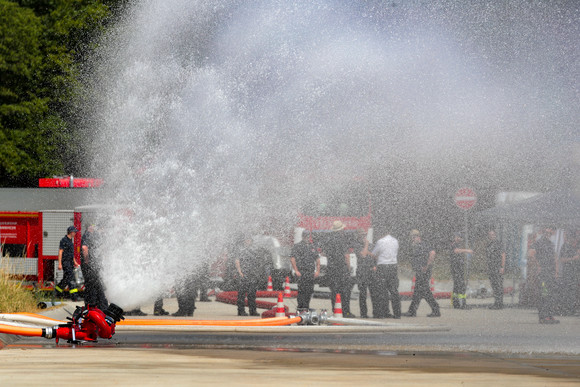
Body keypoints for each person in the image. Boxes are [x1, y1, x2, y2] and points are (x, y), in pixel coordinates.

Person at [320, 221, 355, 317]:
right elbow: (346, 256)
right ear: (341, 230)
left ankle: (336, 310)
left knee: (334, 291)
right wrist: (348, 269)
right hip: (342, 269)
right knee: (345, 291)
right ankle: (346, 312)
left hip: (331, 269)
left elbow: (324, 253)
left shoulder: (329, 240)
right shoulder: (342, 240)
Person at [403, 230, 440, 317]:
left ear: (417, 237)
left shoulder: (422, 245)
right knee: (417, 291)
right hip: (420, 271)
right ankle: (412, 311)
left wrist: (426, 266)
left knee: (425, 291)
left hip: (423, 272)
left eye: (413, 237)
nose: (412, 239)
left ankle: (435, 309)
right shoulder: (417, 246)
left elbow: (432, 253)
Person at [528, 226, 559, 324]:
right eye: (547, 232)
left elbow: (554, 257)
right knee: (543, 294)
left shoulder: (550, 244)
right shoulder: (538, 243)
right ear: (543, 232)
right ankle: (543, 317)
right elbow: (530, 254)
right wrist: (538, 266)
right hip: (542, 274)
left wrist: (556, 271)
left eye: (550, 233)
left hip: (550, 273)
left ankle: (549, 315)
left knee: (551, 294)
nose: (549, 234)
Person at [371, 229, 401, 319]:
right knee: (394, 290)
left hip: (383, 266)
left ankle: (381, 313)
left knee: (382, 290)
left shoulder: (380, 241)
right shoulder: (395, 241)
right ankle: (397, 313)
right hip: (393, 266)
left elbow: (373, 254)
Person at [290, 230, 321, 309]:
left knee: (309, 290)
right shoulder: (297, 246)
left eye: (307, 236)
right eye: (305, 236)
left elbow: (317, 259)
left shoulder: (312, 246)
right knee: (302, 290)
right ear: (302, 236)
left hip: (310, 272)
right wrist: (296, 270)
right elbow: (292, 259)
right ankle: (300, 307)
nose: (306, 237)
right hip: (301, 272)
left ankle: (306, 306)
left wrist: (317, 271)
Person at [80, 224, 108, 310]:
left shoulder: (91, 236)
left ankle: (93, 306)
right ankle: (97, 307)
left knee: (93, 285)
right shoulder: (88, 235)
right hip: (91, 266)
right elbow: (84, 248)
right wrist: (87, 260)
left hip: (92, 265)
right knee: (94, 285)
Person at [235, 236, 263, 316]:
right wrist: (239, 271)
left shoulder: (253, 250)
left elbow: (257, 262)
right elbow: (237, 260)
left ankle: (253, 310)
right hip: (243, 273)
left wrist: (257, 273)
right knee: (242, 293)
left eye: (249, 240)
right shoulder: (240, 249)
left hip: (252, 274)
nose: (248, 241)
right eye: (246, 240)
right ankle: (241, 310)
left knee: (252, 293)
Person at [354, 228, 376, 318]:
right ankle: (364, 313)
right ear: (358, 236)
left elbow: (374, 256)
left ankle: (376, 312)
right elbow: (363, 254)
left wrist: (375, 265)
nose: (364, 237)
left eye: (365, 235)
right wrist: (366, 245)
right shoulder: (357, 245)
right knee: (363, 293)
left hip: (371, 271)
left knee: (374, 293)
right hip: (362, 272)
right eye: (362, 235)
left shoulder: (371, 245)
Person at [556, 229, 579, 315]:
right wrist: (573, 258)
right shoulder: (565, 246)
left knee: (572, 291)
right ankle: (565, 308)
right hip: (567, 273)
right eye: (574, 238)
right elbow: (561, 259)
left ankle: (570, 308)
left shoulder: (574, 247)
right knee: (566, 291)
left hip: (574, 274)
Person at [55, 226, 80, 301]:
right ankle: (74, 296)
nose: (75, 233)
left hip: (70, 263)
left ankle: (57, 291)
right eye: (74, 232)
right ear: (71, 232)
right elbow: (60, 252)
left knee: (66, 279)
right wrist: (60, 264)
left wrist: (75, 262)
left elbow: (71, 254)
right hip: (66, 263)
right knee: (71, 278)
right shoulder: (64, 240)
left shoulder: (70, 241)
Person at [449, 233, 473, 309]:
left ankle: (456, 303)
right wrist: (467, 250)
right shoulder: (454, 244)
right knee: (461, 286)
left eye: (460, 238)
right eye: (457, 237)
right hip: (456, 269)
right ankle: (463, 304)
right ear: (455, 237)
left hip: (458, 268)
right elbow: (456, 251)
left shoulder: (458, 245)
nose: (459, 239)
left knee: (456, 286)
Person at [486, 230, 506, 310]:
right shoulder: (489, 245)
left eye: (493, 234)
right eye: (490, 234)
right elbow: (488, 257)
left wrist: (502, 266)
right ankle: (496, 302)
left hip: (497, 267)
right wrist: (487, 267)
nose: (492, 236)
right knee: (494, 285)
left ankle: (499, 303)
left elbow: (503, 255)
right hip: (491, 268)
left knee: (498, 285)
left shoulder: (499, 244)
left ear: (495, 235)